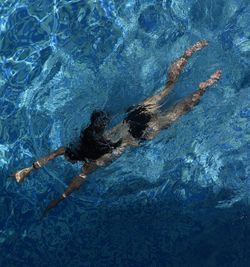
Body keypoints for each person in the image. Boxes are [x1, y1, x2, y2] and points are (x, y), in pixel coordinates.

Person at [12, 40, 222, 218]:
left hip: (141, 133)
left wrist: (58, 200)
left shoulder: (93, 163)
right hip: (133, 117)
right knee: (167, 88)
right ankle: (186, 55)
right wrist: (28, 169)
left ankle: (203, 89)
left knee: (179, 111)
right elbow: (50, 155)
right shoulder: (85, 140)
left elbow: (73, 186)